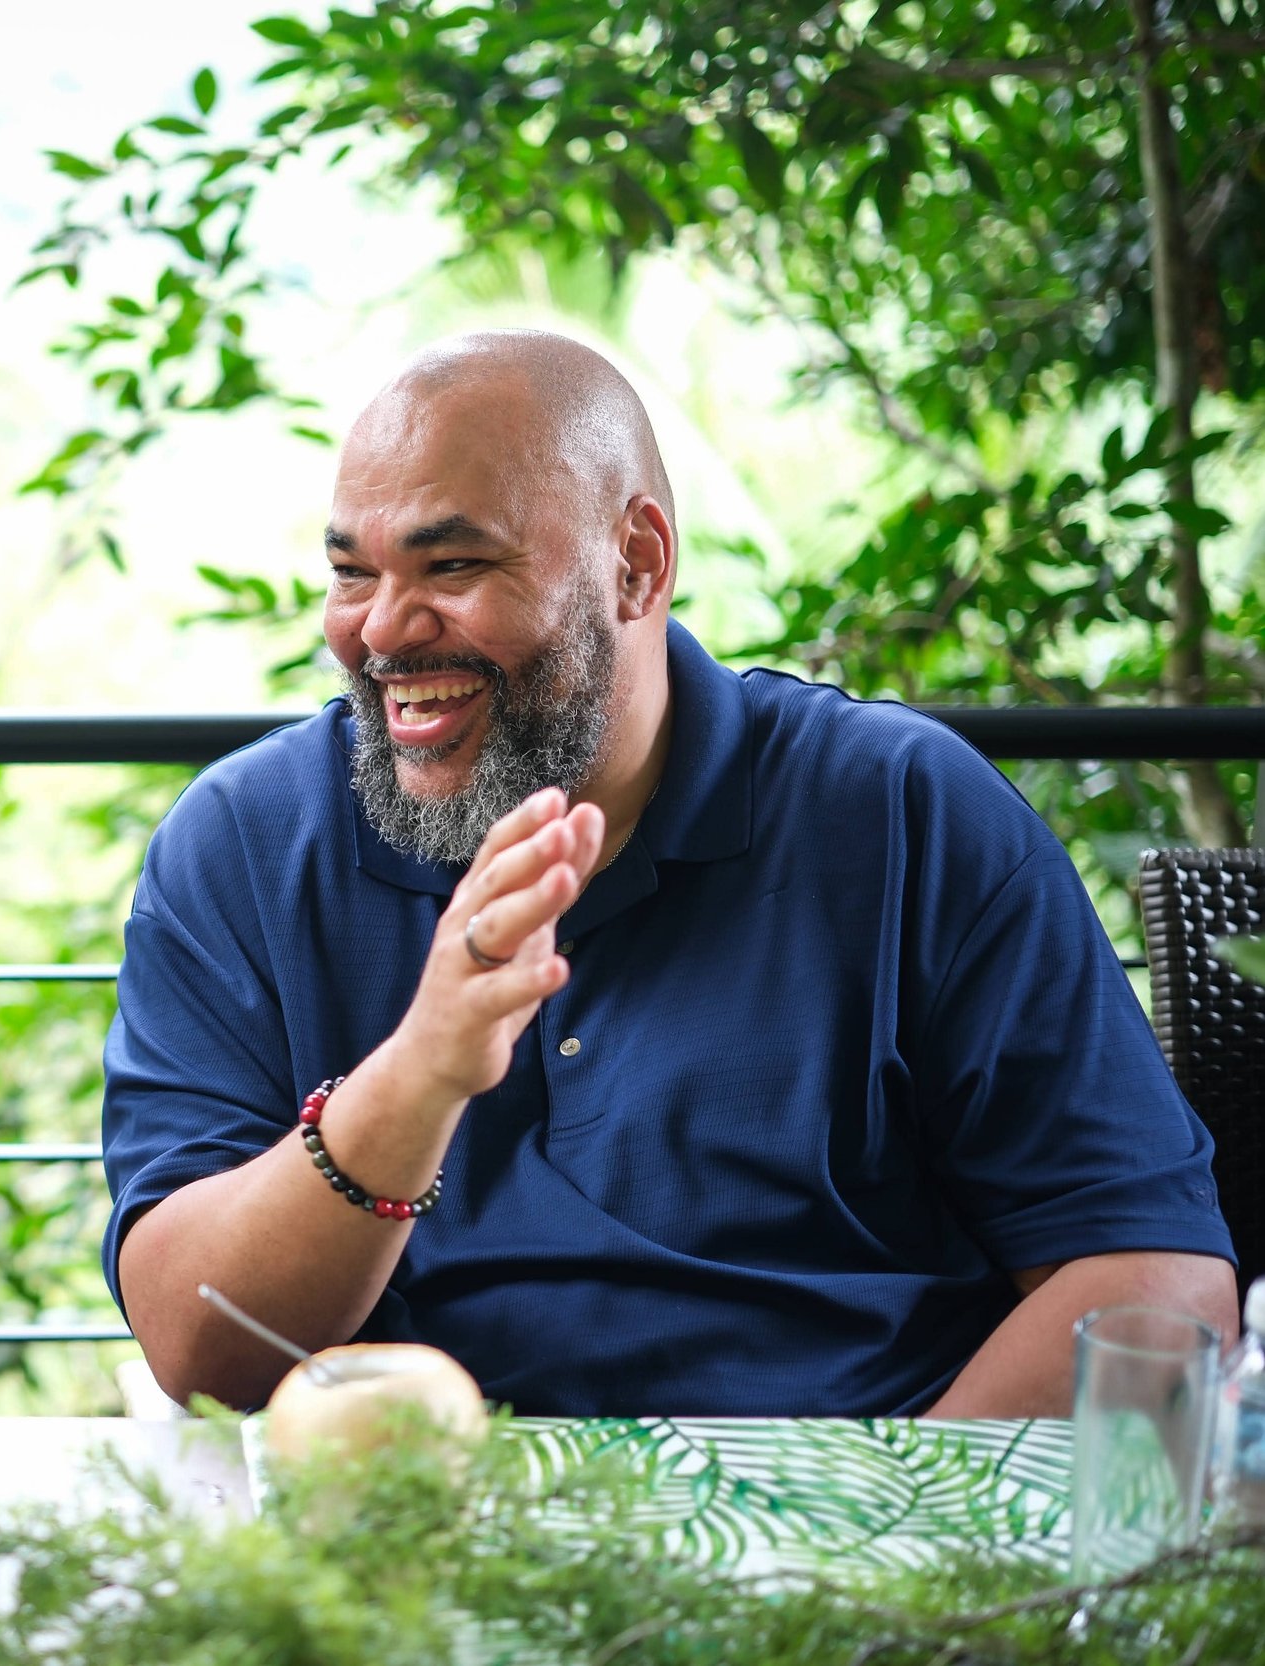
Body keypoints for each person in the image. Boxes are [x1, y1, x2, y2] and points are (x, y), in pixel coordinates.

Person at [103, 329, 1237, 1418]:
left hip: (858, 1496)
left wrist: (891, 1523)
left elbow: (1155, 1283)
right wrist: (419, 1074)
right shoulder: (244, 843)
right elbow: (196, 1346)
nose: (383, 631)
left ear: (636, 563)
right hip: (427, 1505)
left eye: (453, 565)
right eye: (354, 573)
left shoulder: (899, 809)